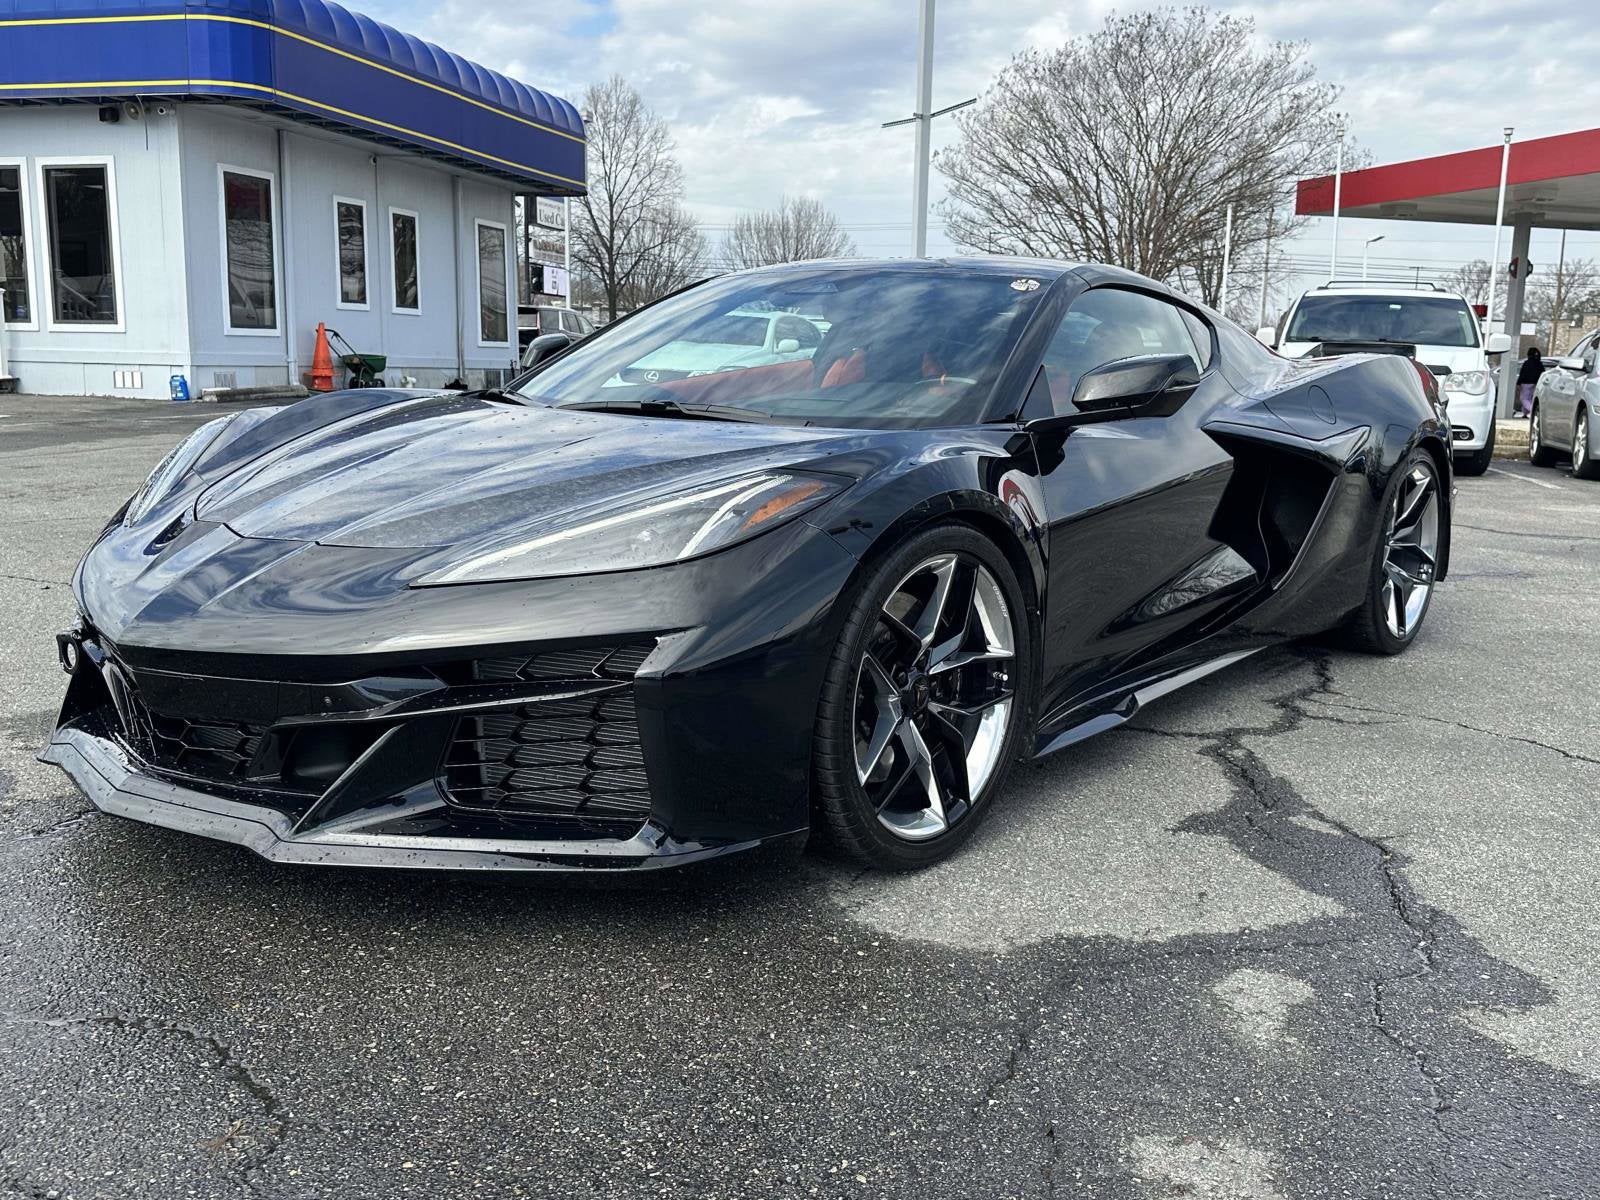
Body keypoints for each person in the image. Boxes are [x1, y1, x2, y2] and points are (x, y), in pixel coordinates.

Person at [1516, 346, 1545, 417]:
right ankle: (1525, 413)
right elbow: (1543, 373)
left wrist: (1518, 383)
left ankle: (1532, 410)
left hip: (1526, 383)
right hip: (1535, 383)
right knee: (1530, 398)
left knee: (1524, 399)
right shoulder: (1539, 363)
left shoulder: (1527, 363)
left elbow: (1522, 373)